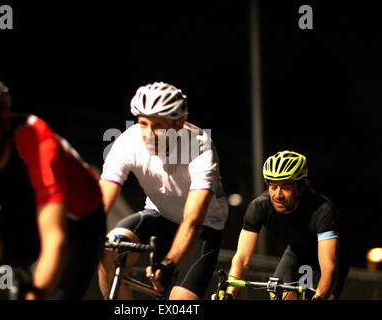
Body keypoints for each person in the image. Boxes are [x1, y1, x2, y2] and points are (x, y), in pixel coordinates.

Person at [0, 74, 106, 299]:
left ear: (3, 116)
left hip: (76, 224)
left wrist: (36, 293)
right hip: (20, 214)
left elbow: (56, 239)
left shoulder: (37, 140)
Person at [97, 82, 228, 300]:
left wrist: (170, 264)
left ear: (179, 124)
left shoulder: (200, 146)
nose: (149, 134)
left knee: (179, 303)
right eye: (143, 123)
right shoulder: (127, 142)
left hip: (203, 227)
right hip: (158, 215)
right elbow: (101, 201)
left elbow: (193, 219)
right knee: (108, 252)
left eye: (159, 126)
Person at [224, 150, 350, 300]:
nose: (278, 195)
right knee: (278, 293)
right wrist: (229, 295)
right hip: (296, 252)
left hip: (330, 257)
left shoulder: (323, 211)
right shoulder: (259, 206)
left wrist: (319, 297)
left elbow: (329, 268)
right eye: (273, 186)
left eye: (286, 187)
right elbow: (242, 258)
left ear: (301, 187)